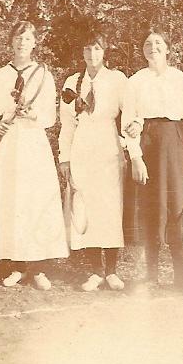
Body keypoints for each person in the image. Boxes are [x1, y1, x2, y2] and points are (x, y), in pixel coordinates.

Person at [0, 21, 69, 290]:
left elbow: (51, 118)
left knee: (34, 200)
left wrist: (34, 114)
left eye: (27, 39)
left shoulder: (43, 75)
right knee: (11, 201)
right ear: (11, 42)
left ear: (34, 43)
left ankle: (38, 268)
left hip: (32, 143)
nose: (21, 43)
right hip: (7, 144)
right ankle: (16, 266)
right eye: (18, 38)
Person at [122, 29, 183, 290]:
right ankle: (151, 275)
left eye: (158, 43)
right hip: (148, 144)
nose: (153, 47)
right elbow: (128, 122)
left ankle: (180, 276)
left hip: (177, 145)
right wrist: (136, 158)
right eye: (147, 43)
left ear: (168, 49)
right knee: (151, 209)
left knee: (178, 207)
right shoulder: (135, 82)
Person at [59, 30, 128, 292]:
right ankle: (95, 271)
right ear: (82, 53)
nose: (92, 54)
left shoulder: (117, 79)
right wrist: (64, 158)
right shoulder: (72, 81)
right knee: (84, 205)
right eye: (87, 49)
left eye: (97, 49)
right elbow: (66, 124)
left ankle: (111, 271)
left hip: (108, 146)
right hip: (82, 146)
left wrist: (127, 142)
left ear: (105, 51)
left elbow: (130, 113)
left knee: (109, 206)